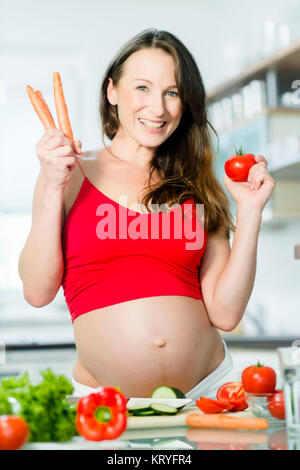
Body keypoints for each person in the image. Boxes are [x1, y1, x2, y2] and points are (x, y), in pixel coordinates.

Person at [18, 29, 276, 406]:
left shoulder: (197, 185)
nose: (157, 108)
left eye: (171, 93)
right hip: (109, 405)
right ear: (112, 92)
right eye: (142, 88)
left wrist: (250, 211)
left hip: (207, 395)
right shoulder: (67, 172)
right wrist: (53, 186)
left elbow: (225, 311)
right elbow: (37, 291)